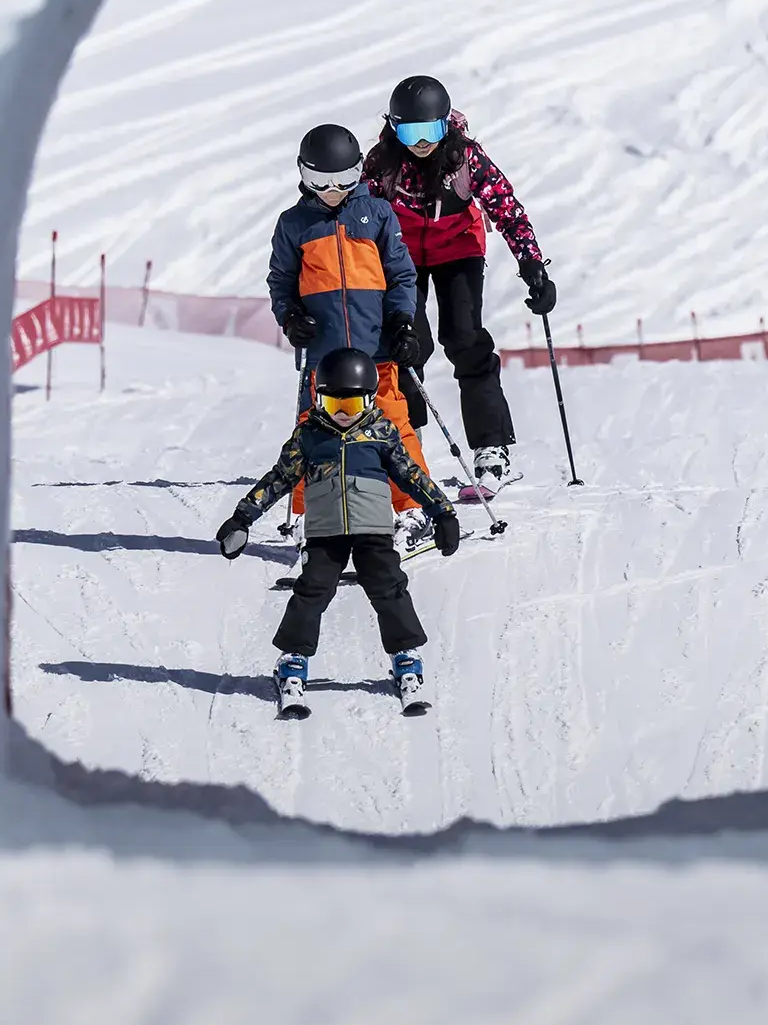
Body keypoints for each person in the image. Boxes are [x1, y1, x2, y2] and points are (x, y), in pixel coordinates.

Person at [217, 347, 459, 717]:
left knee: (389, 588)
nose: (343, 413)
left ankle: (406, 658)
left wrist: (442, 512)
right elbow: (280, 478)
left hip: (373, 530)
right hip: (325, 533)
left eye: (352, 404)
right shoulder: (310, 435)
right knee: (311, 591)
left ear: (370, 399)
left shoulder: (381, 433)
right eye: (333, 404)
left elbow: (411, 476)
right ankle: (293, 662)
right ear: (319, 399)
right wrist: (242, 518)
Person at [362, 74, 558, 493]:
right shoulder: (382, 163)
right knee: (407, 342)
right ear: (394, 128)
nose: (421, 142)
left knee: (465, 337)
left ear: (445, 125)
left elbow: (506, 208)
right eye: (410, 132)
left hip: (459, 249)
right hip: (402, 256)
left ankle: (492, 448)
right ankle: (406, 441)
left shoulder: (465, 158)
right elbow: (358, 215)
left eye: (430, 131)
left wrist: (531, 263)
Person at [267, 122, 436, 539]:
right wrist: (291, 318)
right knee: (312, 431)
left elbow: (401, 276)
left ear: (359, 172)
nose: (333, 191)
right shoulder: (294, 224)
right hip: (323, 357)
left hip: (375, 349)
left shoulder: (378, 214)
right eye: (320, 181)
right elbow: (281, 282)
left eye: (344, 180)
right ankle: (309, 513)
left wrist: (402, 321)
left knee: (393, 425)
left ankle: (414, 508)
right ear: (303, 175)